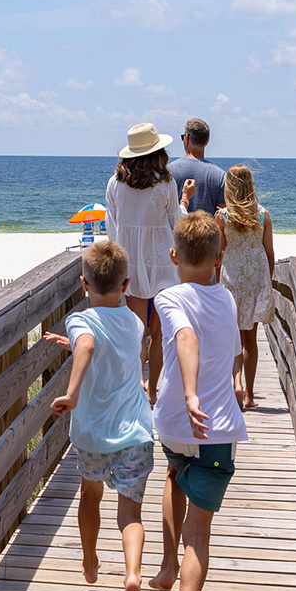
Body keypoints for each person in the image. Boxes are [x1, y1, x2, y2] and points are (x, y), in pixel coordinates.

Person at [42, 241, 155, 591]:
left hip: (93, 434)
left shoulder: (80, 319)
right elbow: (111, 348)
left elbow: (90, 343)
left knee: (90, 495)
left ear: (83, 283)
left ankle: (90, 561)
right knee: (131, 513)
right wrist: (73, 342)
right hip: (136, 433)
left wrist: (72, 394)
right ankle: (133, 575)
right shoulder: (136, 322)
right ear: (125, 284)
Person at [148, 212, 247, 591]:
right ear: (219, 258)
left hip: (174, 422)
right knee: (200, 536)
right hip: (218, 429)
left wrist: (187, 395)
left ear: (174, 256)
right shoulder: (226, 298)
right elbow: (228, 346)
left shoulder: (168, 297)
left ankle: (167, 564)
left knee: (173, 476)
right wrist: (234, 380)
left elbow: (184, 338)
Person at [105, 123, 180, 401]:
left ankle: (137, 383)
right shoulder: (166, 183)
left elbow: (111, 228)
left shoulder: (115, 183)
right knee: (159, 333)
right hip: (162, 261)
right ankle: (153, 390)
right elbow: (176, 223)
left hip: (131, 263)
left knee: (138, 330)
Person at [216, 165, 275, 410]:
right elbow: (269, 252)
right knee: (251, 339)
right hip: (255, 279)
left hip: (231, 278)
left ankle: (236, 382)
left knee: (232, 338)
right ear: (251, 185)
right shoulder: (263, 215)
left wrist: (215, 282)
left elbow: (219, 252)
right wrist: (267, 281)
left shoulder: (223, 216)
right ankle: (249, 395)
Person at [168, 118, 225, 216]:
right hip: (208, 230)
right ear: (207, 142)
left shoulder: (169, 171)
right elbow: (222, 214)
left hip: (175, 230)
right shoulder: (221, 176)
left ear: (186, 138)